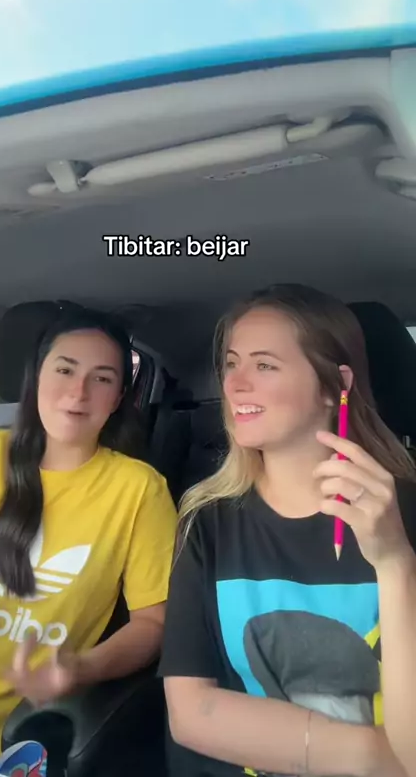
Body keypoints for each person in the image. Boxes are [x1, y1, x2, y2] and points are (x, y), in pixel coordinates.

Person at [160, 283, 416, 777]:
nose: (234, 385)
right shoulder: (206, 521)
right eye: (231, 364)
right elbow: (191, 712)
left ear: (334, 385)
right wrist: (376, 756)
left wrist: (394, 562)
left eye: (264, 365)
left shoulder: (404, 512)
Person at [0, 304, 177, 776]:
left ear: (118, 398)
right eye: (65, 369)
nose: (78, 392)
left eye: (102, 378)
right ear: (36, 376)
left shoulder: (139, 490)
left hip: (15, 740)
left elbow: (153, 623)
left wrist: (84, 668)